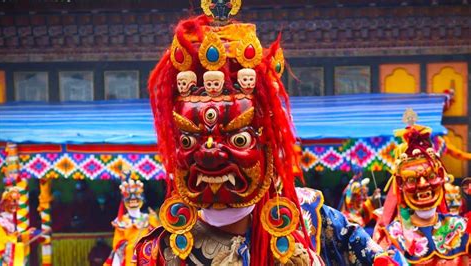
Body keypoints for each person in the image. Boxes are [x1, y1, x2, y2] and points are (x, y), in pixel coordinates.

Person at [134, 1, 395, 265]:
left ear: (268, 144)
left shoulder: (314, 222)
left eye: (238, 139)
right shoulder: (160, 253)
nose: (209, 153)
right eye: (189, 140)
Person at [374, 109, 470, 265]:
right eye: (412, 179)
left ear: (441, 176)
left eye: (431, 176)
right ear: (400, 184)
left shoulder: (459, 227)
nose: (423, 184)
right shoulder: (391, 235)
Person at [105, 177, 159, 266]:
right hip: (129, 257)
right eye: (129, 200)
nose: (133, 202)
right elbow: (117, 244)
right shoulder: (121, 221)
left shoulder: (150, 218)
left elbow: (157, 238)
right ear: (125, 202)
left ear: (141, 200)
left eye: (136, 200)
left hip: (147, 256)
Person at [0, 187, 39, 266]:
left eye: (17, 201)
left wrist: (26, 234)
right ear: (4, 203)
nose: (15, 204)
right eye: (13, 201)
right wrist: (17, 246)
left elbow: (13, 236)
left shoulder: (9, 218)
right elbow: (0, 243)